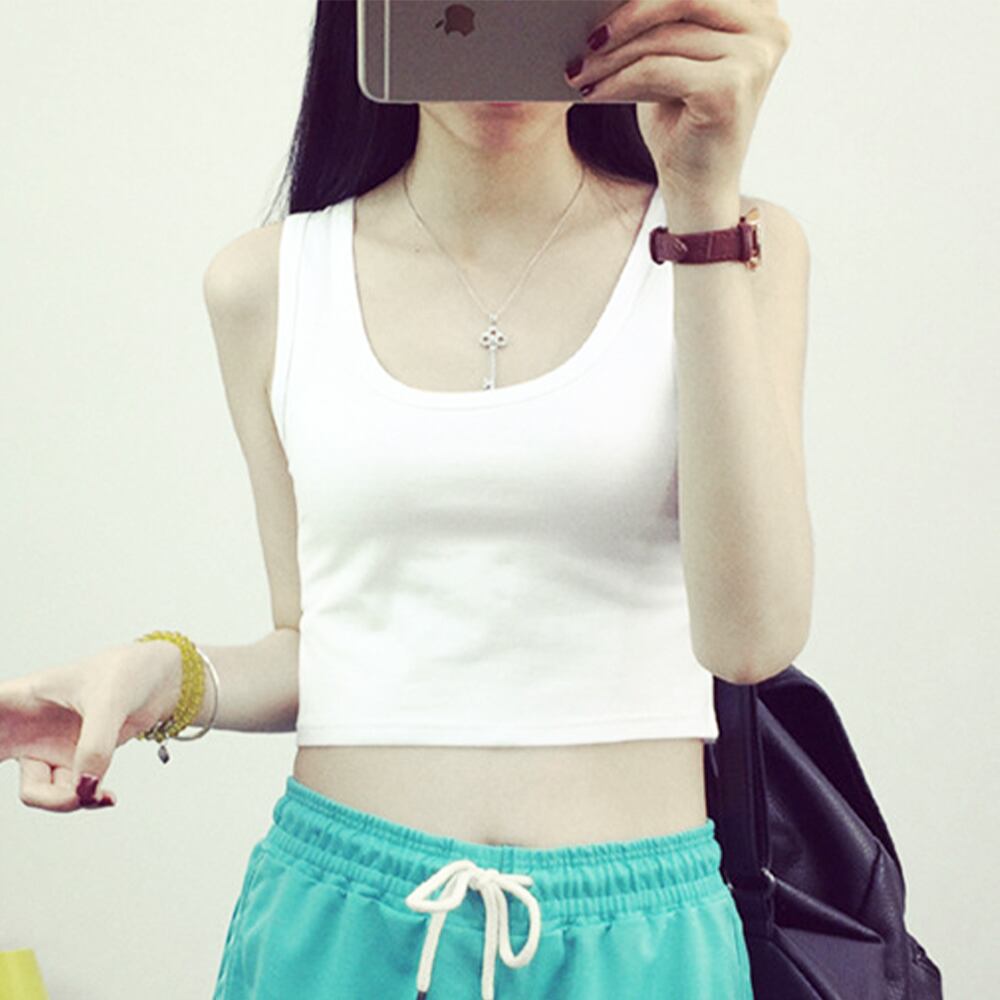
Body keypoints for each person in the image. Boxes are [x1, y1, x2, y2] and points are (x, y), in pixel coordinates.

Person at [1, 2, 808, 997]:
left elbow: (750, 643)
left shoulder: (733, 239)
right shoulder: (265, 282)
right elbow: (317, 646)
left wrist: (702, 196)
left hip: (638, 940)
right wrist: (158, 676)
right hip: (342, 920)